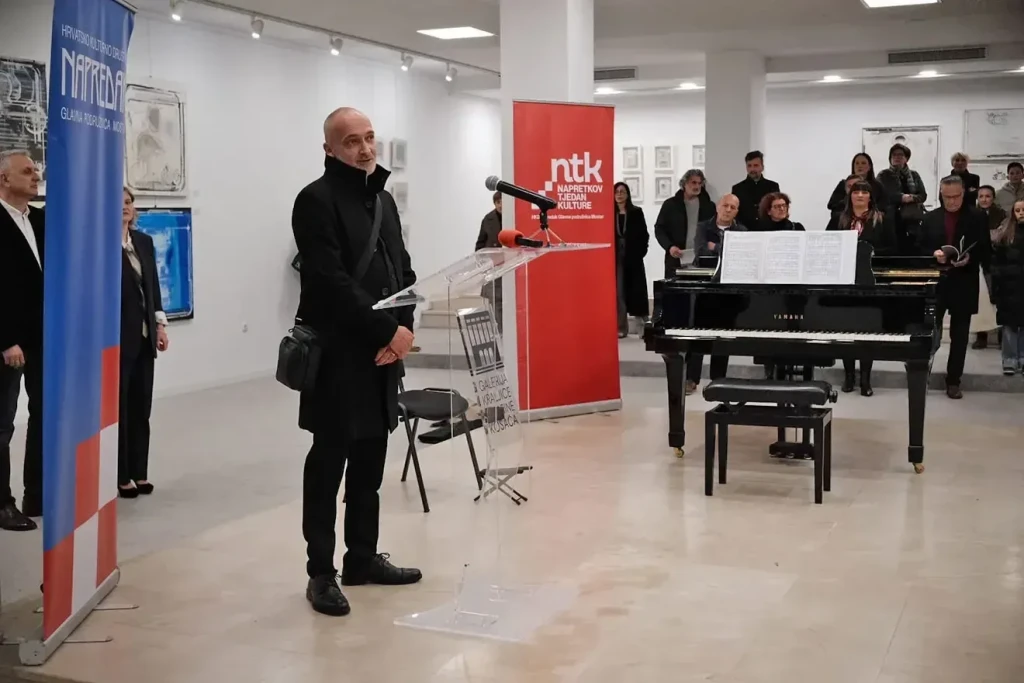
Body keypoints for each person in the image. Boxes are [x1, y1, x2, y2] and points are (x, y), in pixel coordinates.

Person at [292, 107, 421, 617]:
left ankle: (362, 558)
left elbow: (403, 271)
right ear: (329, 149)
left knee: (370, 462)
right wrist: (388, 331)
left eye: (370, 138)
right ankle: (321, 573)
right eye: (352, 141)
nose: (365, 149)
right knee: (328, 465)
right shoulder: (314, 200)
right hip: (338, 356)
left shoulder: (383, 199)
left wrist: (403, 331)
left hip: (382, 356)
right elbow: (331, 282)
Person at [0, 150, 43, 531]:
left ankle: (38, 493)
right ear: (4, 179)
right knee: (3, 425)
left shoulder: (41, 220)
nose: (36, 176)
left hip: (44, 339)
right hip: (9, 345)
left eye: (36, 171)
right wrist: (6, 339)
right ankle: (2, 504)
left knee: (45, 415)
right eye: (27, 171)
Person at [118, 189, 170, 499]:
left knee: (141, 407)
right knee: (120, 408)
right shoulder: (101, 245)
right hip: (117, 340)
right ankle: (121, 474)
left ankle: (140, 471)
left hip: (145, 336)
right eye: (118, 203)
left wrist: (160, 325)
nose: (124, 207)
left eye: (128, 202)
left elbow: (153, 288)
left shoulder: (143, 242)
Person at [920, 175, 991, 399]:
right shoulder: (930, 218)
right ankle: (922, 375)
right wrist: (933, 254)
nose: (951, 201)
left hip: (964, 281)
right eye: (947, 197)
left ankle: (953, 381)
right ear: (941, 194)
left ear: (964, 194)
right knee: (930, 333)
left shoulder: (977, 217)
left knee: (960, 337)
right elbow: (919, 247)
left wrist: (969, 258)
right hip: (937, 283)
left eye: (956, 196)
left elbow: (986, 250)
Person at [827, 180, 896, 396]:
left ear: (870, 197)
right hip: (844, 281)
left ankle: (866, 379)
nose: (859, 195)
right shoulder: (839, 219)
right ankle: (849, 376)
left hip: (870, 280)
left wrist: (871, 252)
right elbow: (828, 244)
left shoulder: (882, 219)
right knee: (845, 330)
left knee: (867, 331)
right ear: (850, 196)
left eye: (864, 192)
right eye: (855, 191)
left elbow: (893, 247)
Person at [684, 194, 746, 392]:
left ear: (737, 211)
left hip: (727, 290)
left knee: (722, 337)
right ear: (718, 207)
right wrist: (723, 249)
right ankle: (691, 378)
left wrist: (715, 247)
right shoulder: (704, 227)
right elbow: (701, 251)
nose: (728, 210)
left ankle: (718, 379)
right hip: (704, 288)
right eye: (725, 205)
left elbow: (739, 256)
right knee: (698, 335)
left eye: (733, 207)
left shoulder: (741, 231)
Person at [654, 169, 716, 273]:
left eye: (700, 183)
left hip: (702, 257)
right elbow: (659, 229)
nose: (697, 186)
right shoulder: (671, 205)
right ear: (684, 184)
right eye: (693, 182)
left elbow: (714, 229)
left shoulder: (709, 206)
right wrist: (670, 247)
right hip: (677, 256)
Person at [990, 200, 1024, 375]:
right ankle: (1009, 359)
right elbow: (996, 264)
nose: (1021, 213)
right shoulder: (1005, 236)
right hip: (1009, 288)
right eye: (1017, 210)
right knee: (1009, 325)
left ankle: (1022, 359)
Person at [613, 182, 649, 338]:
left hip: (633, 256)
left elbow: (644, 235)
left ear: (627, 194)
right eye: (617, 192)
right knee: (619, 292)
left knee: (637, 291)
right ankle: (621, 327)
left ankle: (643, 328)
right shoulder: (609, 213)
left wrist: (641, 252)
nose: (619, 194)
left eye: (623, 191)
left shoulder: (636, 212)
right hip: (615, 257)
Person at [973, 185, 1008, 349]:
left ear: (993, 198)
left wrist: (988, 236)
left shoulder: (1002, 214)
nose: (984, 199)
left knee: (999, 299)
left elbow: (1003, 235)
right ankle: (981, 336)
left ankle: (1002, 337)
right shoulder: (972, 214)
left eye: (988, 196)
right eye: (981, 196)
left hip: (998, 260)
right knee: (981, 300)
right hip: (980, 261)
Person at [876, 143, 927, 254]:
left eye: (900, 155)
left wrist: (912, 198)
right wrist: (901, 198)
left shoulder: (914, 175)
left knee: (912, 247)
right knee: (894, 247)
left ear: (906, 158)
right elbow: (881, 194)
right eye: (894, 155)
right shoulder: (883, 175)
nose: (897, 157)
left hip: (911, 218)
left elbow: (923, 195)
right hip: (891, 218)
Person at [474, 191, 503, 331]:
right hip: (493, 267)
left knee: (507, 300)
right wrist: (482, 263)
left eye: (503, 202)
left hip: (511, 266)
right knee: (495, 300)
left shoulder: (515, 217)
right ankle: (499, 330)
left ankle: (507, 331)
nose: (501, 205)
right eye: (498, 202)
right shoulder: (488, 219)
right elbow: (480, 244)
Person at [827, 153, 887, 219]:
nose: (860, 166)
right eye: (857, 163)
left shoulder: (877, 186)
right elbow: (833, 205)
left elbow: (884, 207)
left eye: (863, 163)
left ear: (869, 167)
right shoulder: (844, 184)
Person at [731, 151, 780, 232]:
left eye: (756, 165)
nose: (752, 169)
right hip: (745, 232)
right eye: (749, 166)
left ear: (762, 167)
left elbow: (776, 210)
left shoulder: (773, 186)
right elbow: (735, 213)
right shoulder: (737, 188)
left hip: (769, 230)